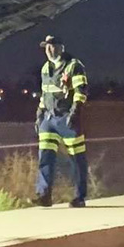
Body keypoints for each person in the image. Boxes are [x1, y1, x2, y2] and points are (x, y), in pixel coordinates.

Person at [33, 34, 90, 207]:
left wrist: (75, 112)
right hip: (49, 119)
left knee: (76, 158)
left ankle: (79, 197)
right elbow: (45, 93)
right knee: (45, 157)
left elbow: (81, 91)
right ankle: (44, 195)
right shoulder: (45, 68)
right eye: (46, 47)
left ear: (61, 47)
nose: (49, 50)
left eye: (52, 46)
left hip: (67, 118)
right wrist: (39, 114)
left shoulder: (74, 66)